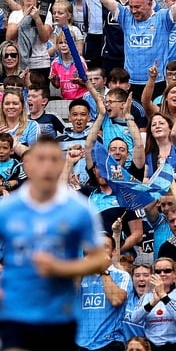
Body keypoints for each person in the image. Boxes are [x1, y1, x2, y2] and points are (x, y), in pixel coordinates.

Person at [0, 137, 108, 351]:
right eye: (41, 159)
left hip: (59, 314)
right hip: (16, 311)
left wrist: (61, 268)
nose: (47, 166)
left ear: (61, 164)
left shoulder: (78, 209)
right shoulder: (8, 208)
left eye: (53, 159)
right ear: (27, 165)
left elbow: (99, 260)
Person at [76, 232, 133, 351]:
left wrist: (103, 271)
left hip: (109, 343)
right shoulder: (80, 276)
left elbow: (116, 300)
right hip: (80, 344)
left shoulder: (122, 276)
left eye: (105, 247)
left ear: (113, 252)